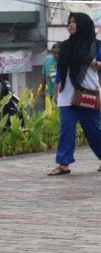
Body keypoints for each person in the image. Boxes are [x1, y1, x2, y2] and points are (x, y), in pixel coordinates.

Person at [47, 12, 101, 176]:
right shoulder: (65, 45)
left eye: (74, 22)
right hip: (66, 94)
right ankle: (63, 164)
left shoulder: (96, 45)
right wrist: (56, 90)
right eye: (69, 22)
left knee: (94, 131)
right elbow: (61, 69)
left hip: (87, 94)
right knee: (66, 130)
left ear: (83, 24)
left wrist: (93, 62)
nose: (70, 24)